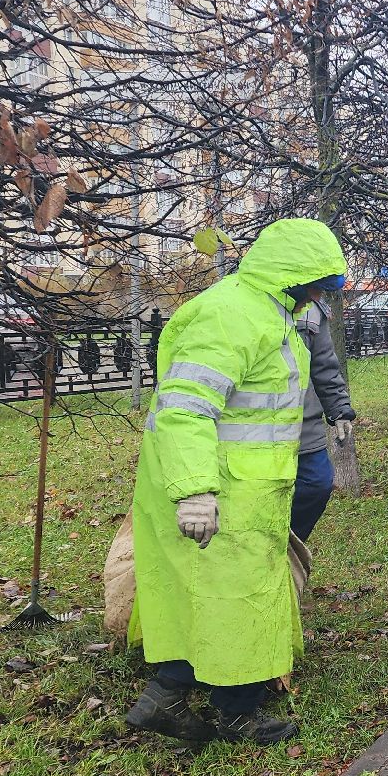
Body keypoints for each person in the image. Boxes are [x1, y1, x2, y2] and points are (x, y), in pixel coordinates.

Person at [124, 218, 347, 744]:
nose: (320, 296)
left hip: (249, 489)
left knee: (222, 597)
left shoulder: (270, 314)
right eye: (317, 284)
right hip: (221, 491)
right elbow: (184, 410)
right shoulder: (230, 317)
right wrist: (195, 490)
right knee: (234, 599)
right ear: (292, 277)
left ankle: (171, 699)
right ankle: (234, 713)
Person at [291, 292, 356, 543]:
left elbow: (324, 364)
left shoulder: (312, 309)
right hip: (253, 431)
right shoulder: (245, 301)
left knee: (316, 485)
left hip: (305, 427)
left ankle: (289, 547)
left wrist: (339, 409)